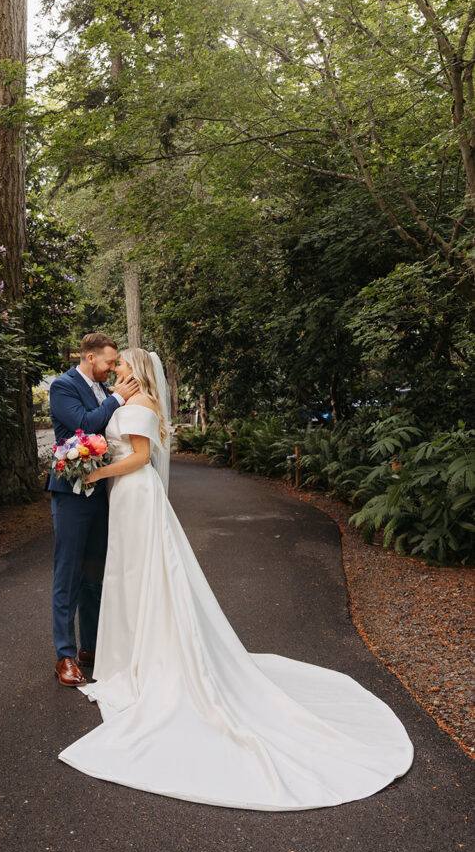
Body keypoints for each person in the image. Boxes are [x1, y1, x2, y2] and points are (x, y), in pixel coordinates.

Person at [58, 348, 414, 811]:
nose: (117, 368)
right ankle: (126, 656)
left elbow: (141, 458)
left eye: (123, 362)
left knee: (147, 575)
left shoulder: (141, 405)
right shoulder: (123, 401)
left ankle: (154, 657)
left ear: (139, 371)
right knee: (127, 575)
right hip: (121, 499)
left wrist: (96, 471)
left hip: (134, 493)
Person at [47, 332, 138, 687]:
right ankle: (65, 656)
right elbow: (84, 424)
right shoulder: (62, 386)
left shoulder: (105, 389)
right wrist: (116, 398)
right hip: (71, 492)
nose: (112, 368)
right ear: (88, 357)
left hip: (102, 493)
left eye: (115, 363)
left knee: (95, 573)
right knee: (68, 572)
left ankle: (92, 647)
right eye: (109, 362)